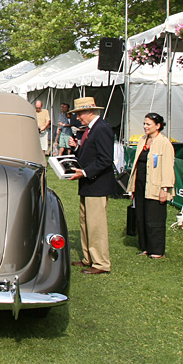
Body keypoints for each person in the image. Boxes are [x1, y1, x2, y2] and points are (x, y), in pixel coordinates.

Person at [67, 97, 115, 275]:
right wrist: (76, 148)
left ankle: (101, 263)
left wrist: (85, 172)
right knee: (85, 222)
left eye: (79, 114)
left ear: (90, 112)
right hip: (88, 184)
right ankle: (89, 258)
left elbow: (105, 159)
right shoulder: (90, 129)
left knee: (96, 225)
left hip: (97, 184)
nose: (78, 118)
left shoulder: (101, 128)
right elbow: (91, 155)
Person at [127, 113, 175, 259]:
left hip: (155, 185)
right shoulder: (142, 140)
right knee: (141, 216)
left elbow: (167, 167)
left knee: (154, 218)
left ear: (158, 126)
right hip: (140, 184)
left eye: (148, 124)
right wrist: (133, 187)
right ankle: (145, 246)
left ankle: (157, 250)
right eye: (144, 124)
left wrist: (165, 188)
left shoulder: (164, 142)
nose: (145, 127)